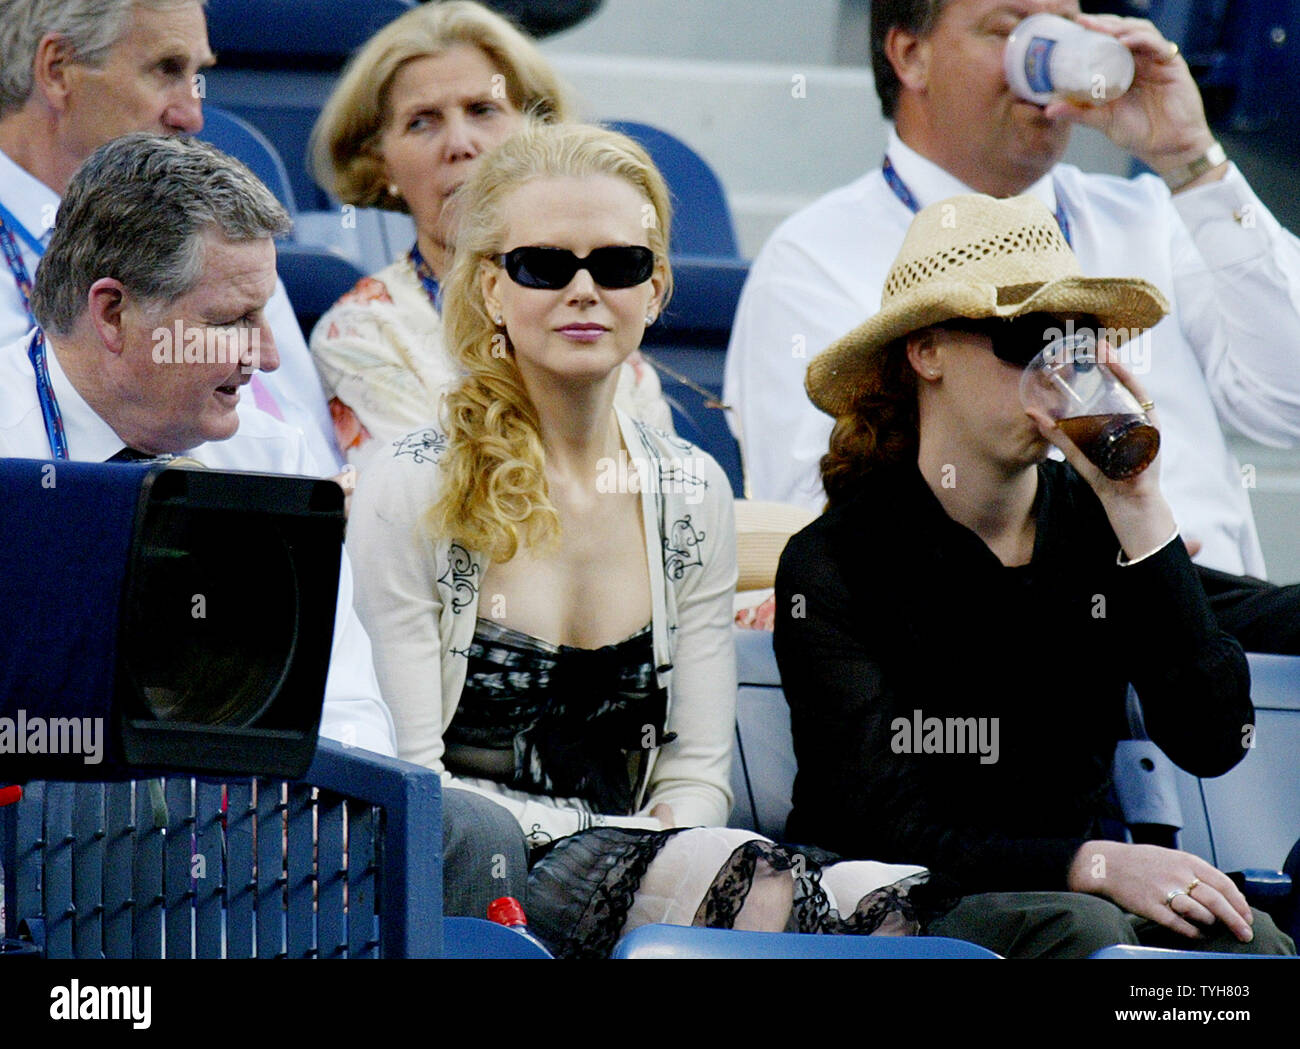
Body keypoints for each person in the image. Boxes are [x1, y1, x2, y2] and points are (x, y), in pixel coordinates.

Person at [347, 121, 949, 956]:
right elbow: (418, 784)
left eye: (619, 264)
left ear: (657, 286)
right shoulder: (412, 483)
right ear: (491, 288)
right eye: (545, 265)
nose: (584, 291)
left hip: (648, 853)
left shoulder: (690, 487)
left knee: (884, 894)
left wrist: (658, 839)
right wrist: (649, 841)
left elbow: (697, 771)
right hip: (479, 867)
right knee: (755, 877)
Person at [774, 192, 1295, 958]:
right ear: (926, 352)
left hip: (1080, 897)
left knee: (1247, 941)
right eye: (1026, 338)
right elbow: (876, 817)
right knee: (1085, 933)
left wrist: (1140, 503)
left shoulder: (1097, 525)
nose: (1057, 368)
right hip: (904, 903)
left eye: (1077, 343)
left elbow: (1214, 739)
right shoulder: (838, 558)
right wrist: (1093, 863)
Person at [725, 1, 1300, 596]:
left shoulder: (1151, 213)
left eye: (1063, 30)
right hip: (1004, 642)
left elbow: (1291, 401)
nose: (1045, 61)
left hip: (1227, 630)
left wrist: (1191, 162)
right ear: (911, 57)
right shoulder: (813, 258)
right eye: (1011, 31)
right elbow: (823, 536)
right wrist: (1105, 552)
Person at [0, 132, 396, 758]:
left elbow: (346, 711)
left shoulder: (277, 462)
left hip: (241, 827)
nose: (266, 357)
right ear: (112, 314)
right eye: (232, 321)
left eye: (262, 317)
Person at [309, 0, 671, 471]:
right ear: (380, 163)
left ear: (539, 130)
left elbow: (661, 506)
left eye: (483, 110)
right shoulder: (362, 334)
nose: (460, 145)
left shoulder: (592, 308)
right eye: (422, 121)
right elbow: (432, 513)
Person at [0, 0, 344, 473]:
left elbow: (305, 467)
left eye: (197, 74)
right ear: (58, 69)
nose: (192, 117)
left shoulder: (228, 251)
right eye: (166, 69)